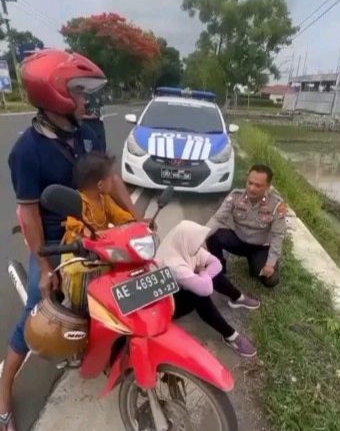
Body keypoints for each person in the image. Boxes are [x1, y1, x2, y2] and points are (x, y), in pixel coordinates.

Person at [0, 49, 140, 431]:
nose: (85, 100)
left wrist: (136, 221)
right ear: (55, 95)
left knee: (117, 289)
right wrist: (45, 268)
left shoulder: (90, 130)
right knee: (36, 315)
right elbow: (28, 215)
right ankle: (4, 394)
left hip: (96, 228)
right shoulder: (26, 151)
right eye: (78, 92)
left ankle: (91, 350)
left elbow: (110, 180)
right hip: (56, 245)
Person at [157, 220, 259, 358]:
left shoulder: (184, 246)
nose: (201, 246)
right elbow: (206, 289)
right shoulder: (173, 264)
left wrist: (202, 275)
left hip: (182, 286)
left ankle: (238, 297)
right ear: (187, 240)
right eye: (197, 242)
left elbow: (216, 264)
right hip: (167, 306)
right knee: (199, 295)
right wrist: (202, 275)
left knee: (206, 273)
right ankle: (231, 336)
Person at [61, 152, 135, 313]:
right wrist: (87, 231)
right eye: (111, 178)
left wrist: (134, 223)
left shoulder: (104, 199)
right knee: (77, 286)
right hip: (79, 255)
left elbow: (119, 216)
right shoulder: (79, 201)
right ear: (101, 185)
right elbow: (74, 224)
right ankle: (71, 308)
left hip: (102, 251)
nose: (113, 181)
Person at [206, 164, 286, 288]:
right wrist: (199, 237)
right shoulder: (236, 196)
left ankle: (256, 262)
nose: (252, 188)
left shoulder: (276, 205)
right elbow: (218, 219)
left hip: (261, 246)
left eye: (258, 185)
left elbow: (277, 236)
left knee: (271, 280)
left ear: (268, 186)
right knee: (213, 235)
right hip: (239, 240)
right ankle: (218, 267)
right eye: (250, 183)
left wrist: (270, 263)